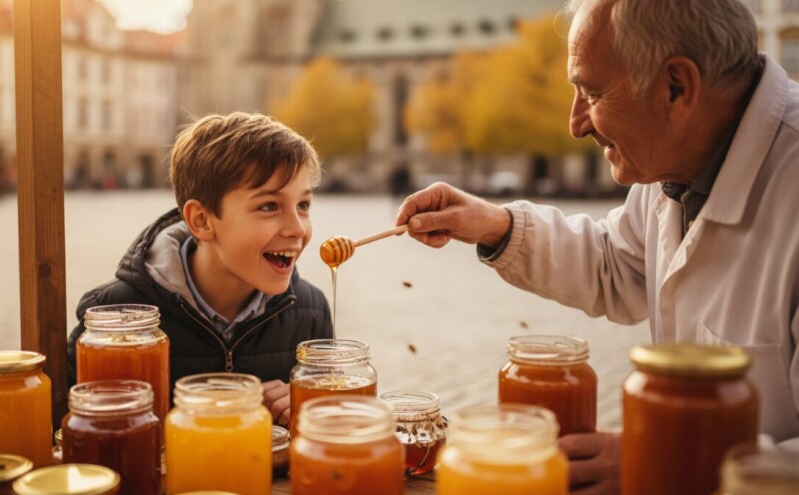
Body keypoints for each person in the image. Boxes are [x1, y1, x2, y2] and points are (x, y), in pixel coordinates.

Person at [396, 0, 799, 492]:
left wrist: (661, 461)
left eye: (592, 92)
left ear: (677, 87)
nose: (576, 123)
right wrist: (494, 225)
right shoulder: (675, 157)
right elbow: (619, 264)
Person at [67, 112, 333, 427]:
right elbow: (73, 433)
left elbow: (328, 432)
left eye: (303, 205)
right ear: (202, 221)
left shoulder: (312, 312)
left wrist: (310, 408)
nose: (297, 228)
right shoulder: (110, 318)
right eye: (269, 206)